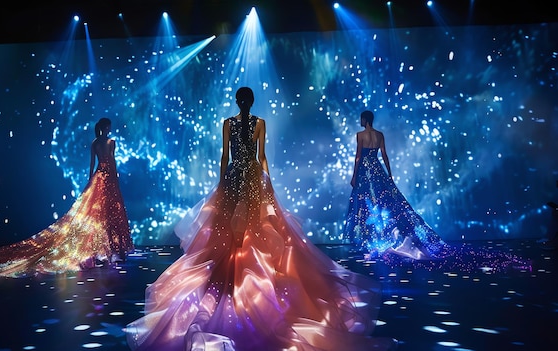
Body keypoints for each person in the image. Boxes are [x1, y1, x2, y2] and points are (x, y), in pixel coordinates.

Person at [125, 88, 397, 351]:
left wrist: (229, 184)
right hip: (250, 180)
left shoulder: (229, 123)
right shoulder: (255, 123)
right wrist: (264, 183)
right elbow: (260, 157)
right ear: (251, 102)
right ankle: (244, 286)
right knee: (249, 233)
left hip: (237, 180)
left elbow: (228, 157)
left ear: (237, 101)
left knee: (236, 233)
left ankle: (236, 285)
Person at [0, 118, 134, 278]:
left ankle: (108, 251)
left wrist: (91, 181)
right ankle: (112, 251)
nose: (109, 129)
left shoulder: (95, 143)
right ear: (106, 127)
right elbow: (111, 163)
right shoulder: (110, 142)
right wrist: (111, 180)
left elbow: (92, 165)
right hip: (107, 179)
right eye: (109, 126)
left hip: (98, 177)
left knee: (99, 215)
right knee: (107, 213)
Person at [343, 110, 448, 260]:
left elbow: (358, 157)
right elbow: (384, 155)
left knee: (366, 204)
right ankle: (380, 240)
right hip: (377, 169)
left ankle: (371, 242)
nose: (360, 121)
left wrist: (354, 176)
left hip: (365, 172)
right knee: (382, 203)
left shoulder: (360, 135)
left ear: (365, 119)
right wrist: (389, 174)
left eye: (361, 119)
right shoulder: (379, 135)